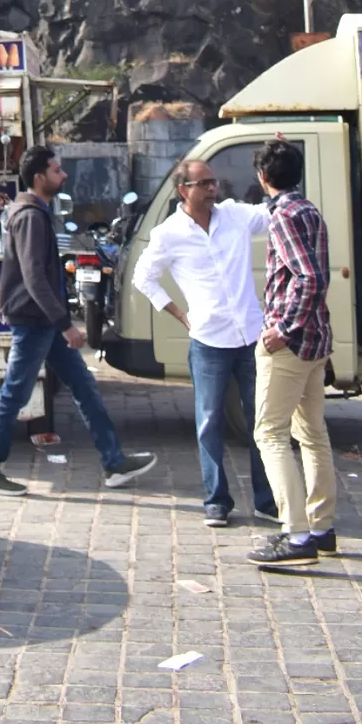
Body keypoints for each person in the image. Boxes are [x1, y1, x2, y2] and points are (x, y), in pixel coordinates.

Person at [0, 145, 156, 495]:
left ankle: (114, 463)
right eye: (57, 170)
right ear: (40, 176)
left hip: (44, 323)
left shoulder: (36, 211)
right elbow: (34, 279)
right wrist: (66, 324)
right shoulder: (28, 216)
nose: (64, 175)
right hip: (35, 322)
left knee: (85, 388)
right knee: (14, 394)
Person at [134, 159, 280, 528]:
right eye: (204, 184)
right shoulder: (169, 234)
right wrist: (179, 314)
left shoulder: (234, 215)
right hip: (209, 340)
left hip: (250, 334)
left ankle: (266, 500)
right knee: (209, 422)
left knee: (260, 420)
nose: (213, 189)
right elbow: (144, 277)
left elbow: (272, 212)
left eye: (215, 182)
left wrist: (275, 169)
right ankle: (216, 500)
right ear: (184, 189)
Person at [247, 138, 337, 571]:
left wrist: (282, 329)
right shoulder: (310, 210)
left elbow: (308, 278)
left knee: (270, 434)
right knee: (312, 434)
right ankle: (322, 528)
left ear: (262, 178)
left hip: (292, 343)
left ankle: (296, 533)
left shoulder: (281, 216)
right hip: (317, 341)